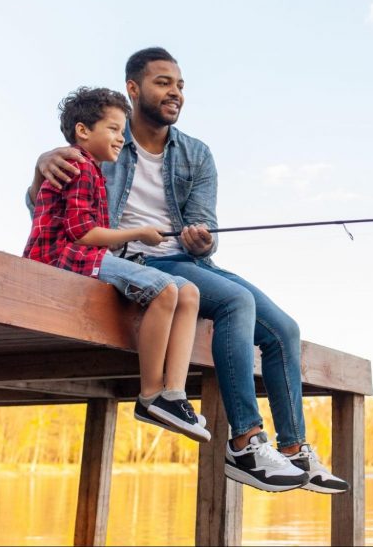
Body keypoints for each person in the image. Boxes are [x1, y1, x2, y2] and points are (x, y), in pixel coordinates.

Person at [28, 48, 348, 494]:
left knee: (284, 330)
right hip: (129, 261)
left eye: (179, 85)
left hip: (187, 261)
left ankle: (294, 450)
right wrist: (41, 164)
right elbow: (49, 209)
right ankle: (245, 442)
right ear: (133, 89)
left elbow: (206, 228)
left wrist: (203, 239)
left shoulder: (196, 154)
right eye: (163, 83)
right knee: (237, 301)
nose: (174, 92)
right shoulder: (106, 142)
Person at [24, 86, 210, 444]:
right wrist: (138, 233)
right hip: (62, 259)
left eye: (123, 131)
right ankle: (151, 394)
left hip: (87, 256)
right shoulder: (78, 165)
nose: (121, 138)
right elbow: (80, 234)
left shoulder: (92, 170)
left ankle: (174, 395)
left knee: (189, 292)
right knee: (164, 288)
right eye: (113, 129)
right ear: (83, 131)